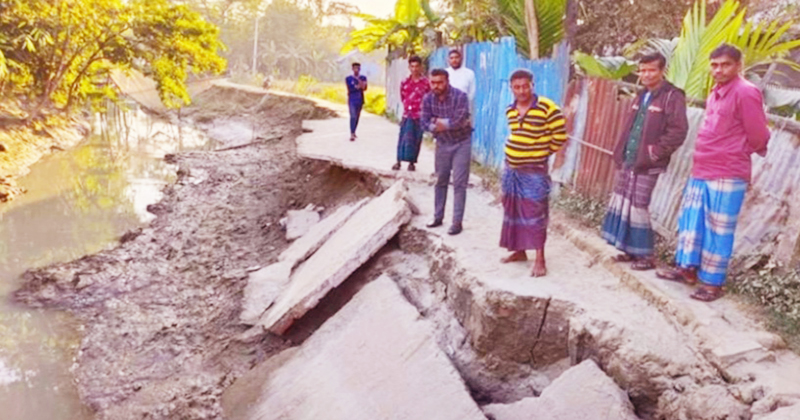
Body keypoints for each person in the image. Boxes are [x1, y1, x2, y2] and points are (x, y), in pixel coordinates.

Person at [656, 44, 770, 302]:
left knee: (719, 229)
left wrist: (734, 150)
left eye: (725, 64)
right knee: (691, 222)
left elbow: (759, 135)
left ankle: (712, 283)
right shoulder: (716, 91)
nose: (719, 70)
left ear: (738, 65)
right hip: (702, 167)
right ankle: (686, 269)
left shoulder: (746, 92)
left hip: (727, 171)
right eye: (715, 64)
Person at [602, 52, 689, 271]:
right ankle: (629, 250)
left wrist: (655, 153)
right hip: (629, 158)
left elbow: (678, 131)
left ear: (662, 71)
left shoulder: (672, 96)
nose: (646, 74)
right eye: (642, 70)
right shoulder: (641, 94)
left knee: (639, 205)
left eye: (651, 70)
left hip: (648, 162)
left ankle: (646, 256)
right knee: (625, 202)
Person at [499, 69, 568, 277]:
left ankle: (540, 259)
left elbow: (560, 137)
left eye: (525, 86)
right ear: (511, 88)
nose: (521, 91)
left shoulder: (548, 108)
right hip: (511, 169)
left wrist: (541, 153)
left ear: (532, 85)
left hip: (535, 171)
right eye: (516, 87)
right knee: (512, 210)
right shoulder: (510, 109)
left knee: (534, 213)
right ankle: (519, 251)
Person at [420, 68, 472, 236]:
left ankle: (457, 222)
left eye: (440, 82)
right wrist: (439, 124)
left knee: (459, 183)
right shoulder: (428, 99)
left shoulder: (460, 96)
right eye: (433, 82)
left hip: (461, 142)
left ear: (447, 81)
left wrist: (439, 122)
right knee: (441, 180)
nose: (436, 86)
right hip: (442, 144)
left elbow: (460, 120)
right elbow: (424, 122)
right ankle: (437, 217)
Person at [393, 55, 431, 172]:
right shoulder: (405, 82)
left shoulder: (426, 83)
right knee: (403, 137)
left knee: (416, 138)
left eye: (417, 66)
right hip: (407, 114)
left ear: (421, 67)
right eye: (412, 66)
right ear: (409, 67)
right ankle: (398, 161)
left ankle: (412, 163)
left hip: (419, 115)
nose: (414, 69)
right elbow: (402, 97)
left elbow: (429, 98)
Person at [346, 63, 368, 141]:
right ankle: (351, 133)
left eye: (357, 68)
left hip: (360, 100)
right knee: (353, 116)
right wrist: (359, 86)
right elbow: (351, 88)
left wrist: (359, 85)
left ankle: (354, 131)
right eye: (354, 68)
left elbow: (364, 87)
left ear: (360, 69)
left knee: (357, 117)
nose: (356, 70)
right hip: (352, 99)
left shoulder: (363, 77)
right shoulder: (348, 78)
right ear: (352, 69)